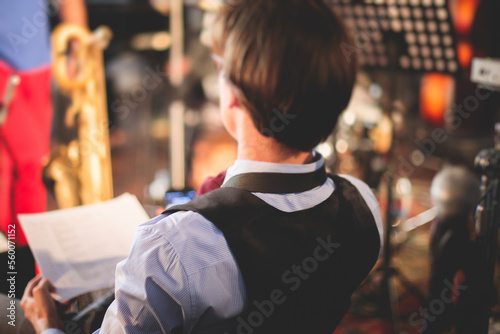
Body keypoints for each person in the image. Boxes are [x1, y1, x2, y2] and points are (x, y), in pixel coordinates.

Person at [21, 0, 384, 333]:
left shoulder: (177, 246)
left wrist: (47, 325)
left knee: (9, 310)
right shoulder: (365, 206)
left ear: (234, 97)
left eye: (221, 69)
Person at [0, 0, 88, 296]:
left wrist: (78, 48)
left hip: (35, 66)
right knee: (17, 172)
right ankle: (17, 282)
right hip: (8, 67)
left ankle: (22, 285)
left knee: (30, 172)